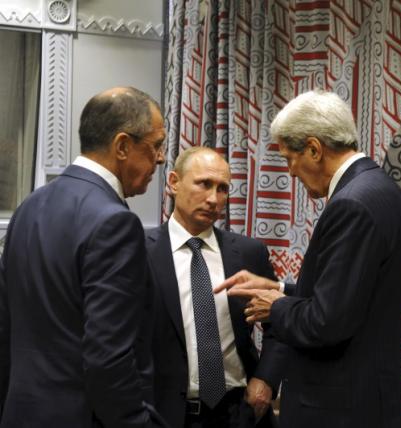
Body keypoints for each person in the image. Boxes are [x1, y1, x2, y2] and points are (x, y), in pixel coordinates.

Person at [216, 90, 401, 428]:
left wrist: (275, 306)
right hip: (371, 402)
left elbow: (326, 322)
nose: (291, 172)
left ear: (313, 149)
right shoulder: (382, 190)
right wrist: (278, 286)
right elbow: (352, 299)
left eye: (288, 158)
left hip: (340, 410)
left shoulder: (351, 204)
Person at [0, 87, 168, 427]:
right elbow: (108, 357)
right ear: (122, 146)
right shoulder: (115, 222)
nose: (162, 158)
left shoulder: (29, 207)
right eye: (156, 145)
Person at [145, 146, 284, 428]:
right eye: (204, 184)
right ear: (174, 182)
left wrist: (266, 380)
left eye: (222, 189)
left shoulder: (248, 252)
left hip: (239, 412)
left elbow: (280, 323)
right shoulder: (139, 250)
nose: (213, 199)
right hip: (165, 413)